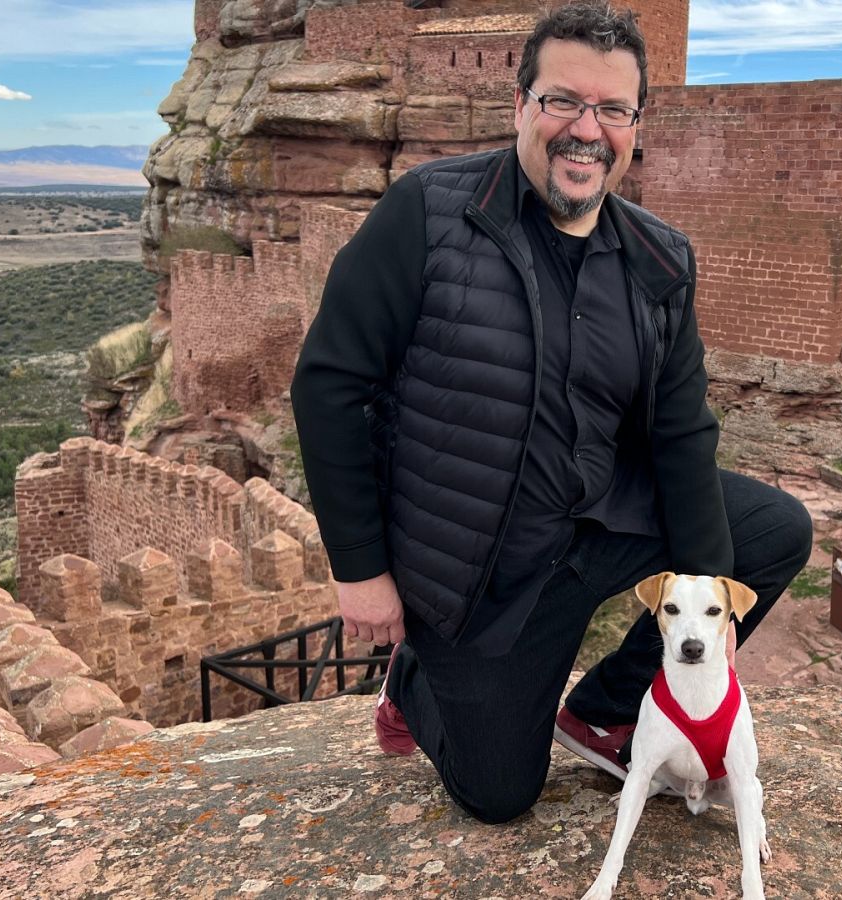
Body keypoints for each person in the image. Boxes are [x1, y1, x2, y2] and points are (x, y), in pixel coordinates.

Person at [289, 2, 812, 825]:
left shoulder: (659, 259)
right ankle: (418, 681)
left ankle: (603, 707)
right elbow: (328, 383)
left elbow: (680, 434)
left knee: (772, 533)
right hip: (478, 571)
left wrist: (710, 598)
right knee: (499, 795)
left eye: (611, 109)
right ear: (521, 106)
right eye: (563, 101)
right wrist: (361, 570)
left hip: (599, 526)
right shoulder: (428, 213)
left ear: (635, 124)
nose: (586, 130)